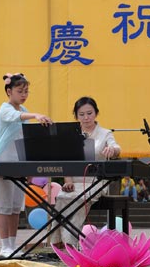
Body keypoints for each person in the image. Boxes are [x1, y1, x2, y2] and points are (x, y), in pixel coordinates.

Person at [0, 73, 53, 259]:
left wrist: (28, 168)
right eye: (20, 91)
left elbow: (25, 140)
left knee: (14, 207)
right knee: (3, 207)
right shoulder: (5, 109)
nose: (24, 95)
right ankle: (4, 246)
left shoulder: (24, 110)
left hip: (19, 163)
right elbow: (15, 117)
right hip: (4, 162)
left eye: (26, 91)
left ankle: (12, 245)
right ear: (9, 91)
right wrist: (36, 115)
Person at [51, 96, 121, 248]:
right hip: (74, 181)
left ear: (96, 113)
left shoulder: (105, 133)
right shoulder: (71, 135)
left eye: (89, 113)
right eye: (81, 114)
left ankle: (69, 243)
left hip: (96, 181)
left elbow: (116, 148)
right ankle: (56, 242)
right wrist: (68, 181)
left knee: (78, 199)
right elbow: (66, 160)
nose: (86, 118)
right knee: (62, 197)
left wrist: (112, 150)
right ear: (76, 116)